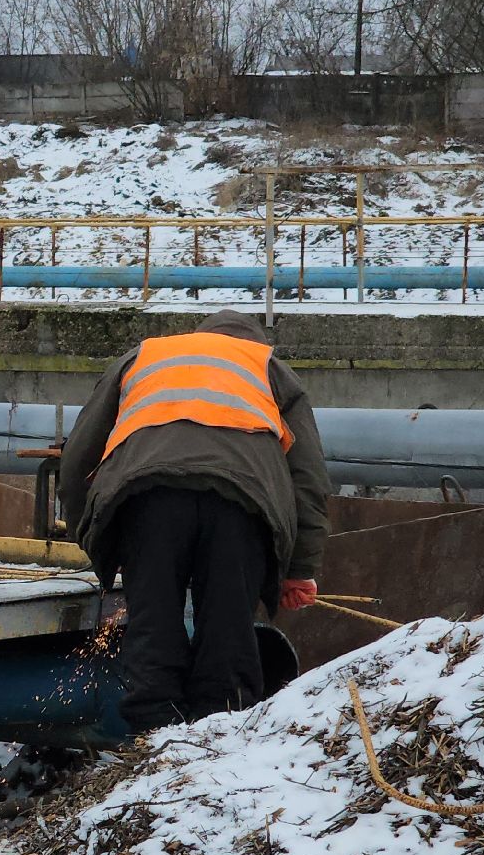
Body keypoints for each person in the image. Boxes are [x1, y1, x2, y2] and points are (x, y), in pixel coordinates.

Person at [58, 310, 330, 733]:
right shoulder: (269, 367)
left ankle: (153, 738)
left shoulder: (144, 357)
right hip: (243, 504)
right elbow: (309, 477)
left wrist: (94, 536)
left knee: (153, 623)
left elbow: (77, 456)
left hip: (144, 497)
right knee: (228, 630)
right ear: (255, 342)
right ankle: (220, 740)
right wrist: (298, 571)